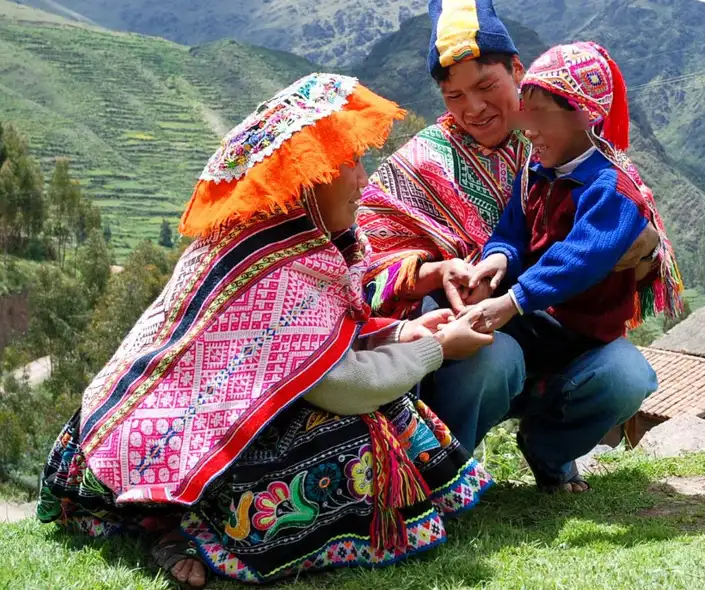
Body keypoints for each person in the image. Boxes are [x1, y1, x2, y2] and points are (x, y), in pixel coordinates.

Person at [35, 73, 495, 589]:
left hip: (139, 434)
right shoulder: (282, 266)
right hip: (150, 450)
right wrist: (436, 348)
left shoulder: (287, 239)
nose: (363, 181)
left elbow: (318, 345)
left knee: (379, 411)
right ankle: (189, 529)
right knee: (359, 432)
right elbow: (342, 386)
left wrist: (399, 333)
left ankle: (184, 519)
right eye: (348, 164)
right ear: (308, 178)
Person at [356, 0, 666, 492]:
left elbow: (631, 254)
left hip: (564, 331)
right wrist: (443, 271)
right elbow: (368, 265)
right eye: (454, 95)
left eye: (486, 87)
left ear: (517, 71)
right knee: (493, 356)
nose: (473, 107)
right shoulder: (418, 167)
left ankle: (549, 451)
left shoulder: (564, 143)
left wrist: (642, 250)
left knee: (628, 374)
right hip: (476, 341)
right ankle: (441, 476)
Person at [462, 41, 684, 492]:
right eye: (526, 112)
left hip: (581, 342)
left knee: (628, 378)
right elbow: (511, 232)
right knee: (468, 349)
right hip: (532, 327)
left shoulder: (613, 189)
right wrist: (498, 259)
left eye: (540, 114)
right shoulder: (535, 173)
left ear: (584, 114)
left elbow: (581, 259)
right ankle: (447, 469)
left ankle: (548, 450)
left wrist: (512, 300)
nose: (528, 128)